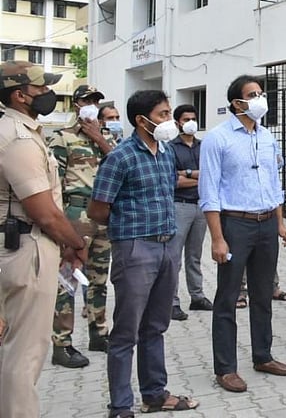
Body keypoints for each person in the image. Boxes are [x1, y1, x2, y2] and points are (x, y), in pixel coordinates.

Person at [88, 89, 199, 416]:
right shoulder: (120, 157)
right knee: (126, 332)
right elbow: (98, 209)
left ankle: (155, 394)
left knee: (156, 326)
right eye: (164, 114)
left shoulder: (165, 153)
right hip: (135, 249)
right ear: (142, 120)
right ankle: (120, 405)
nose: (170, 120)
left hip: (167, 247)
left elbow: (167, 192)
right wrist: (129, 228)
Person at [0, 61, 87, 418]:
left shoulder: (21, 129)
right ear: (20, 95)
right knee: (24, 352)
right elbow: (44, 212)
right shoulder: (16, 137)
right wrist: (76, 245)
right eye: (41, 88)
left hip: (22, 242)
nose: (49, 94)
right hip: (26, 247)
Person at [199, 75, 286, 394]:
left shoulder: (268, 137)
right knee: (227, 296)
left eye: (261, 93)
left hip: (267, 222)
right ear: (237, 103)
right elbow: (209, 191)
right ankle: (225, 368)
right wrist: (217, 237)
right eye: (253, 95)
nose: (260, 99)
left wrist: (280, 223)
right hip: (234, 224)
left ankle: (263, 355)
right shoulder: (217, 139)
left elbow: (274, 183)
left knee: (263, 292)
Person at [48, 84, 116, 368]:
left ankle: (98, 333)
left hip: (104, 213)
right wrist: (61, 223)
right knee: (68, 279)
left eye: (96, 101)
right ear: (76, 104)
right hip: (76, 212)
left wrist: (100, 138)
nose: (92, 104)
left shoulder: (109, 137)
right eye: (86, 100)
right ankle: (61, 343)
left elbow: (120, 167)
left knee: (99, 278)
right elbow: (53, 183)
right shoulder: (62, 138)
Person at [170, 104, 212, 320]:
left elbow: (211, 173)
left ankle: (197, 296)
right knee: (174, 257)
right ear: (178, 122)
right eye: (186, 119)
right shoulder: (170, 147)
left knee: (194, 256)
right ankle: (172, 302)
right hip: (179, 206)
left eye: (193, 118)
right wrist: (198, 176)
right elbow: (172, 181)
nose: (190, 122)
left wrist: (188, 174)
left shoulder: (203, 146)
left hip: (200, 206)